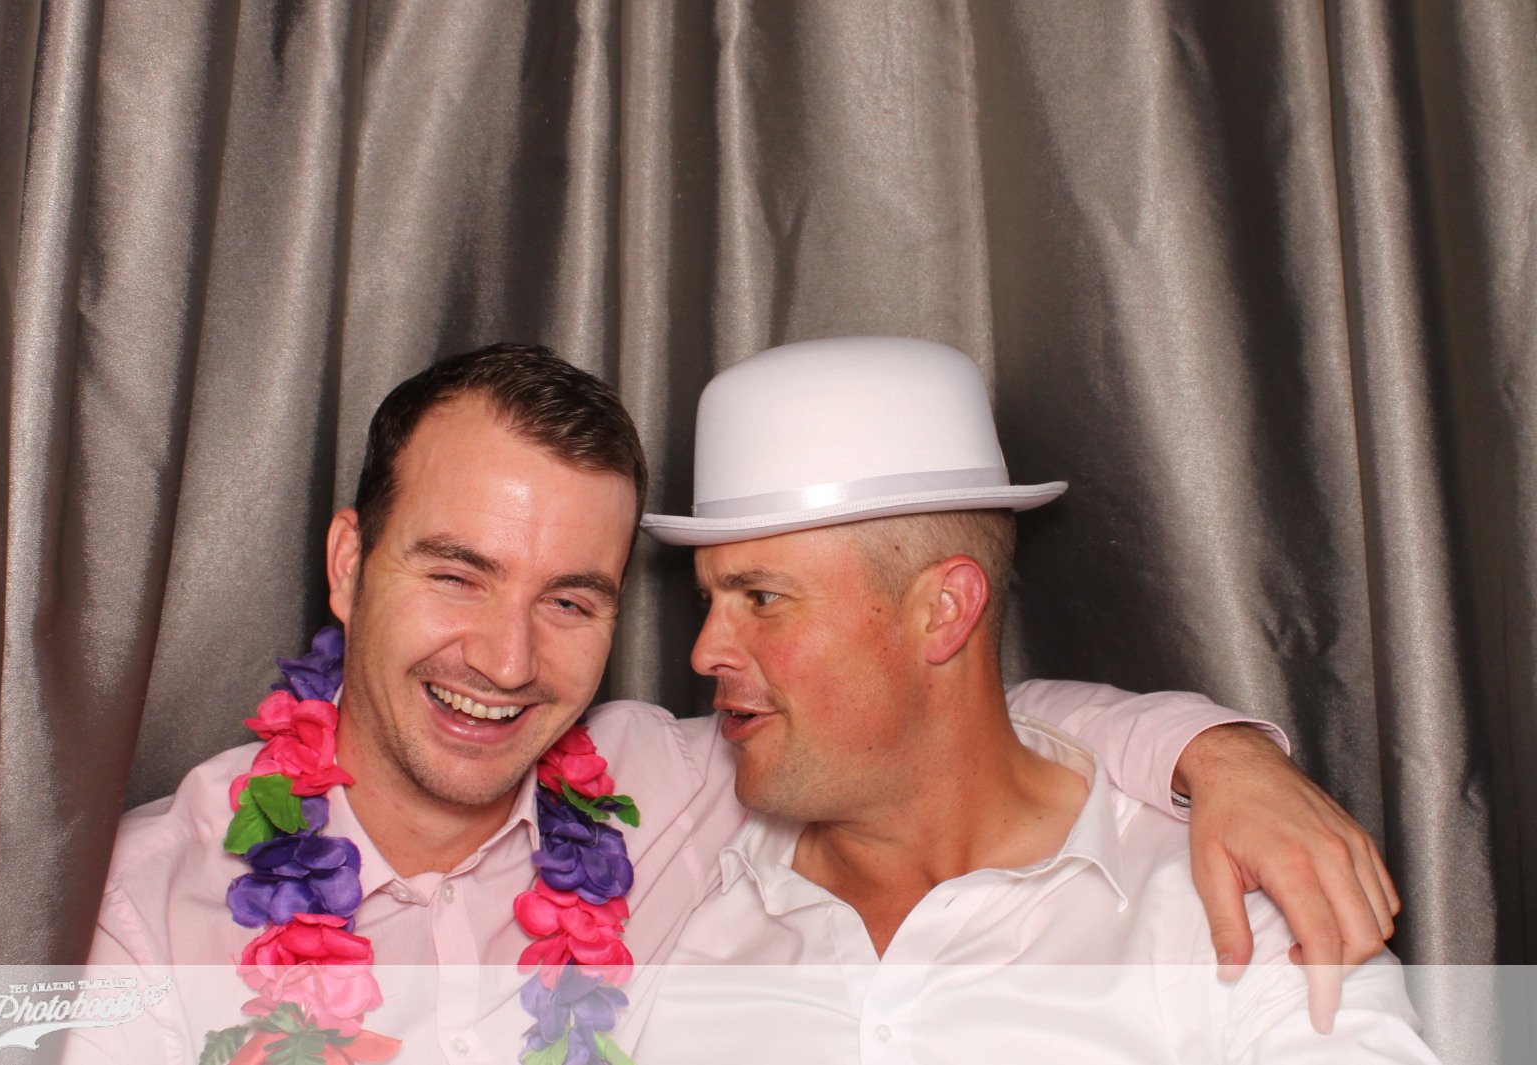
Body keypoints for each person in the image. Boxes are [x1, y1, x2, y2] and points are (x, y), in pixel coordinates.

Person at [70, 344, 1397, 1064]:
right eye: (457, 573)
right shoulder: (139, 904)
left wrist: (1220, 757)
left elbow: (943, 731)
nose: (507, 658)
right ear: (350, 565)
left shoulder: (668, 796)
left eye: (573, 598)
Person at [633, 336, 1433, 1062]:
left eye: (763, 598)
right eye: (709, 599)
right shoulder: (663, 890)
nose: (704, 650)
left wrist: (1227, 756)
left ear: (944, 611)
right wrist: (1220, 750)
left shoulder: (1234, 916)